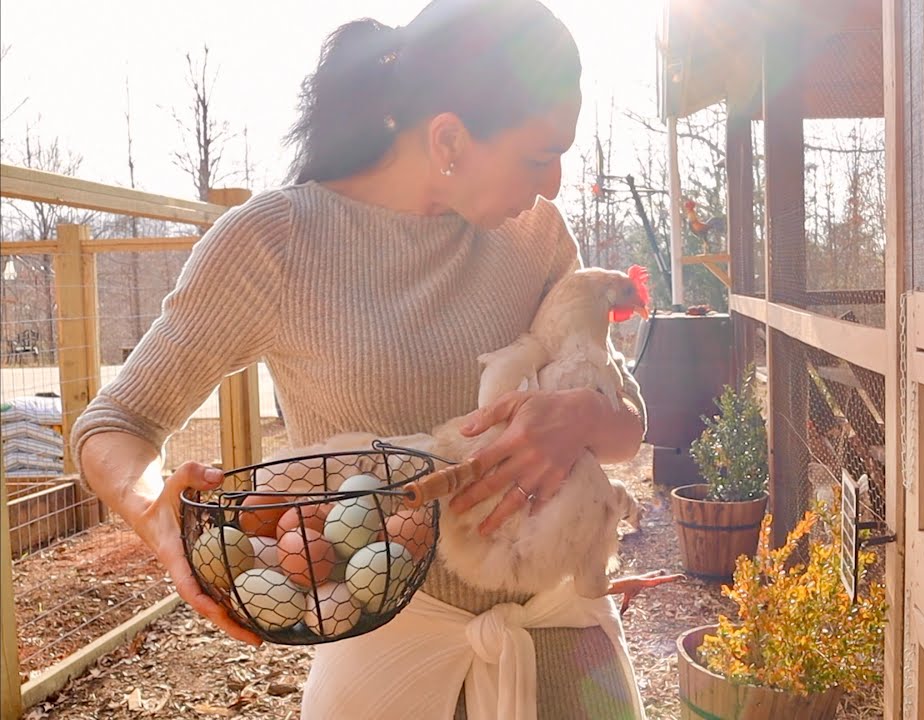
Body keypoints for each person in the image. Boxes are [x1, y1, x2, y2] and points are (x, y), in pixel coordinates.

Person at [69, 1, 669, 717]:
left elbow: (628, 426)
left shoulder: (536, 236)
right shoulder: (274, 242)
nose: (555, 184)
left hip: (564, 644)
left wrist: (579, 418)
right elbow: (118, 419)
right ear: (448, 137)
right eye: (539, 156)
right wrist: (161, 525)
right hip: (388, 660)